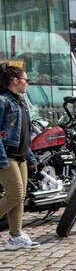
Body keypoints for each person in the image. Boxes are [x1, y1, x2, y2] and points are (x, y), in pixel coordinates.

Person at [0, 62, 40, 250]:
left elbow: (24, 135)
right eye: (26, 80)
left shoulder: (21, 103)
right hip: (6, 157)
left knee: (20, 197)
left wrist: (30, 159)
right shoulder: (3, 101)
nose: (27, 84)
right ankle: (15, 236)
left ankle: (15, 236)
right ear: (14, 81)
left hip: (21, 156)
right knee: (14, 195)